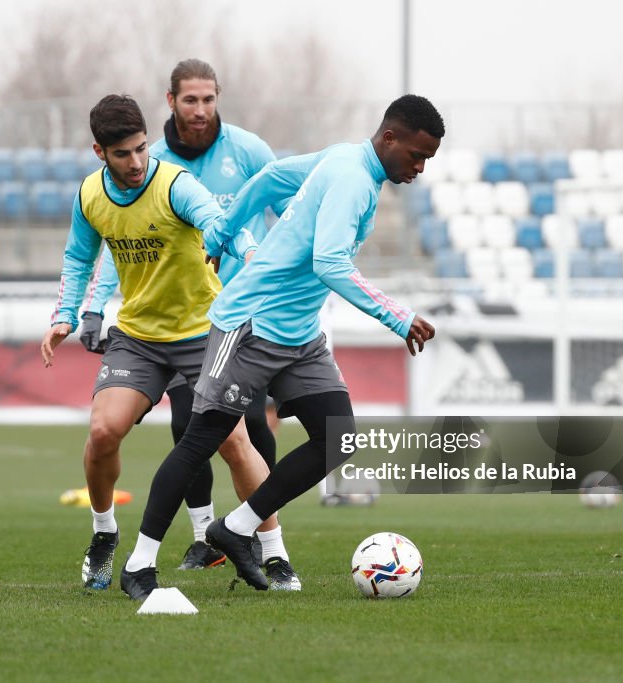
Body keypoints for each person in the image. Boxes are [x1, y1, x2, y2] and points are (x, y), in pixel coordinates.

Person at [118, 94, 443, 599]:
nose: (420, 168)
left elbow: (269, 181)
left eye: (428, 160)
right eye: (416, 156)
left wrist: (225, 231)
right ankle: (139, 565)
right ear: (390, 138)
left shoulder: (342, 158)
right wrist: (397, 316)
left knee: (337, 437)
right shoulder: (353, 178)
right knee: (202, 440)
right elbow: (329, 264)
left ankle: (238, 527)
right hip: (249, 325)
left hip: (298, 336)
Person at [40, 93, 289, 594]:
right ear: (99, 152)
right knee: (103, 431)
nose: (135, 163)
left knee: (236, 441)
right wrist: (66, 316)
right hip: (139, 339)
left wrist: (250, 251)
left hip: (204, 334)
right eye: (122, 154)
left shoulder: (176, 185)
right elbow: (77, 258)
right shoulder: (90, 195)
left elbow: (221, 224)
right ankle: (104, 534)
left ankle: (276, 554)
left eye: (140, 149)